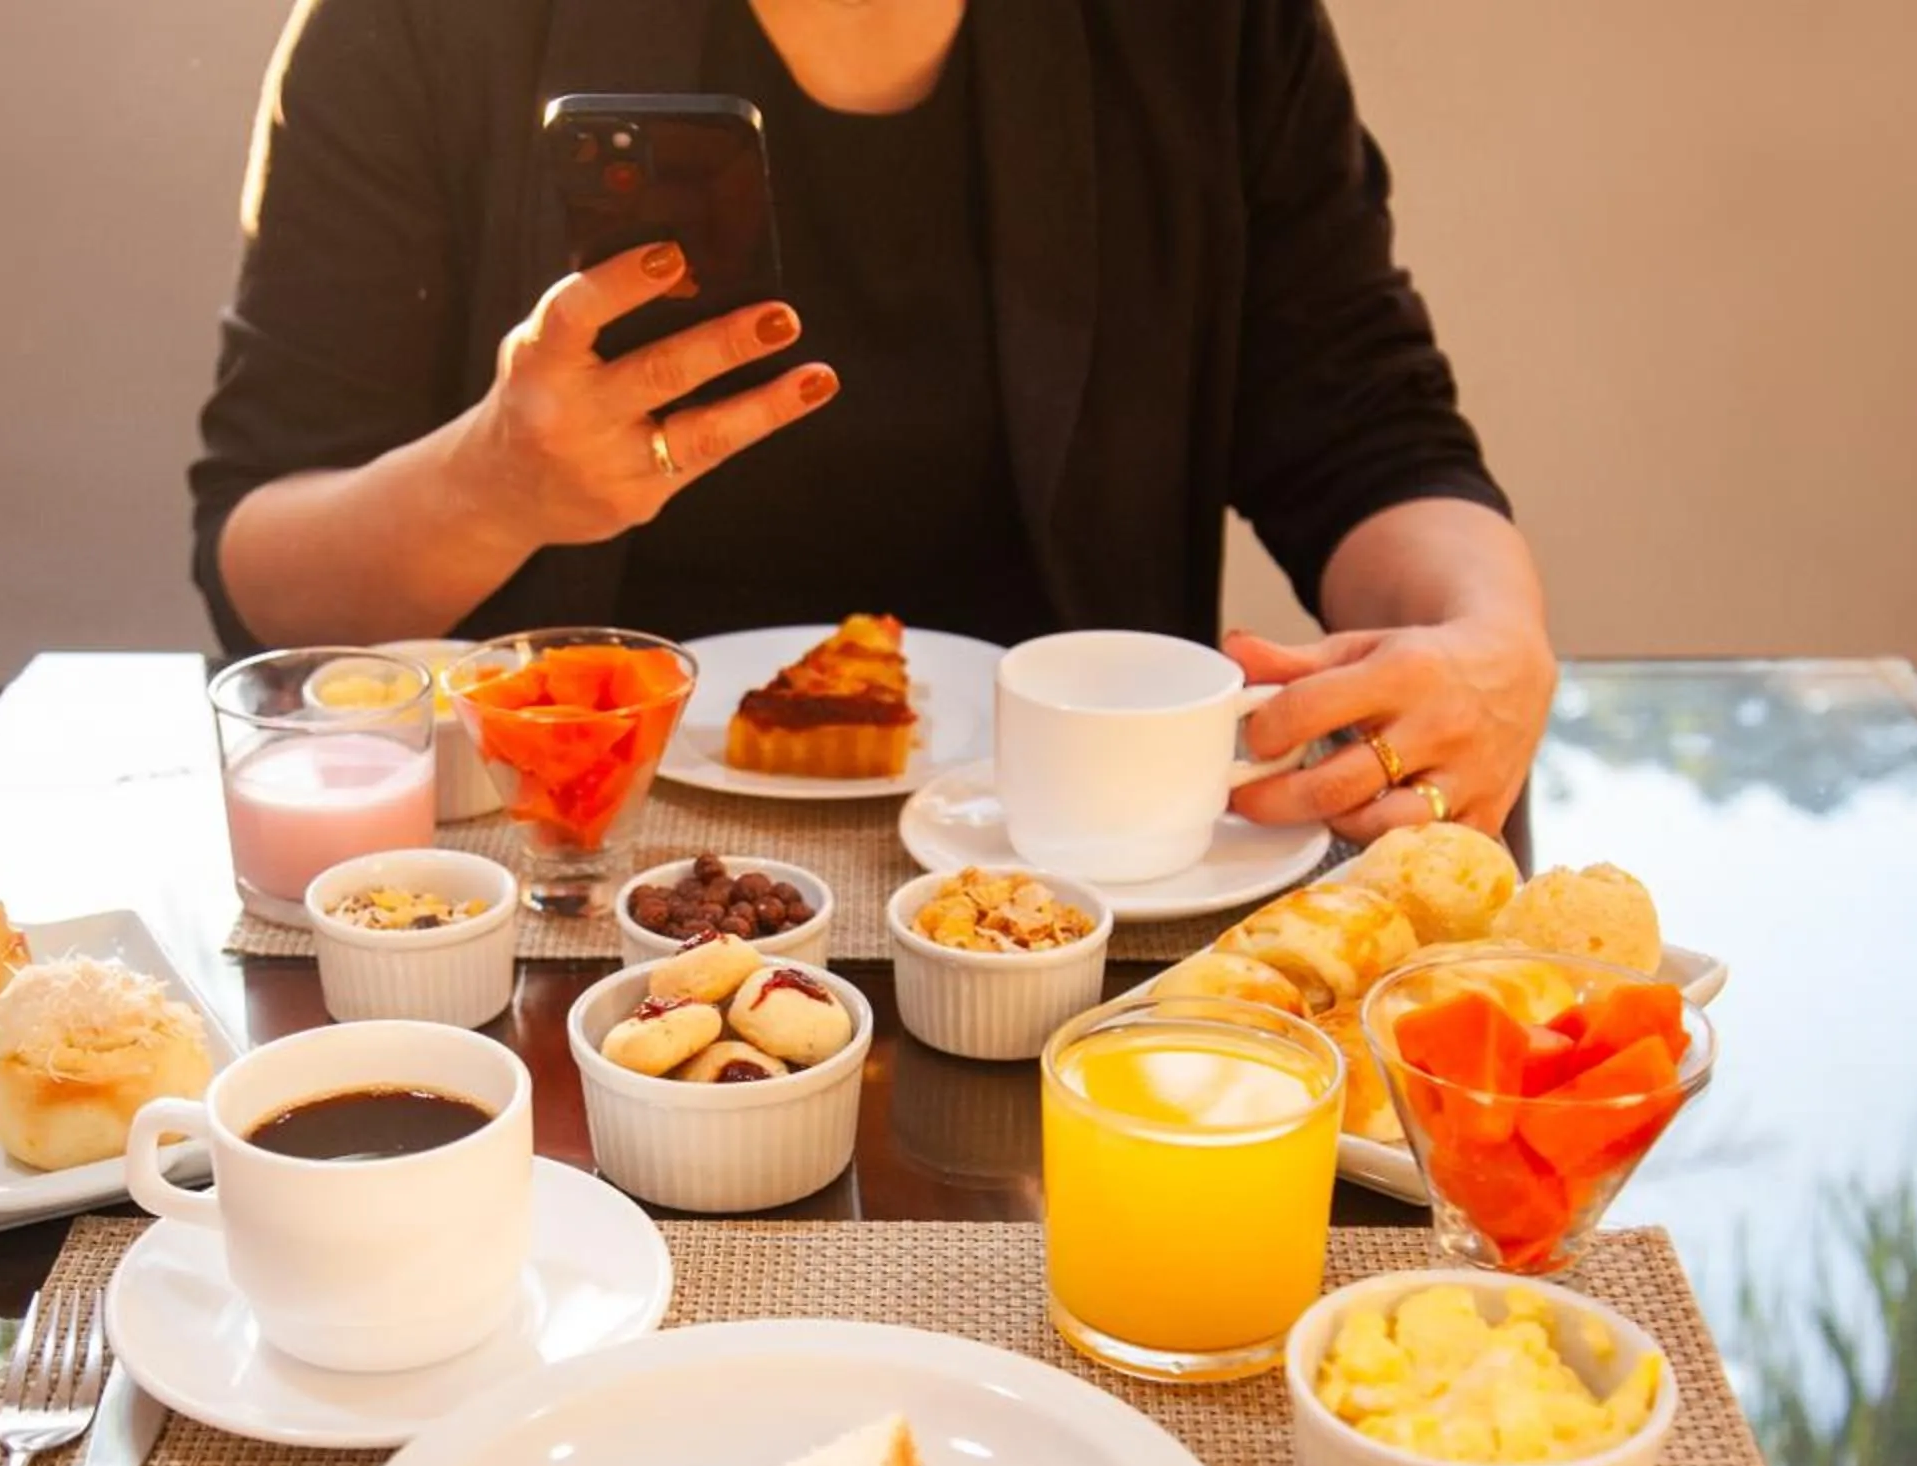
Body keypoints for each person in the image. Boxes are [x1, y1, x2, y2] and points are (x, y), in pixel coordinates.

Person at [189, 0, 1554, 841]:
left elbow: (1369, 432)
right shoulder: (414, 25)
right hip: (558, 891)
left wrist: (1492, 638)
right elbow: (263, 565)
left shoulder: (1205, 25)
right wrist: (494, 487)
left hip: (1062, 880)